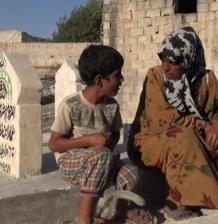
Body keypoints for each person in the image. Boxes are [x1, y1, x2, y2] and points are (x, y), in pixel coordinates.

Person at [128, 27, 218, 219]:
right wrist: (203, 126)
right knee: (183, 136)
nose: (165, 66)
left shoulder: (206, 79)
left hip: (196, 137)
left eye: (172, 62)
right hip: (151, 141)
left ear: (188, 61)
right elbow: (162, 120)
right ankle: (180, 202)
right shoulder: (155, 77)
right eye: (163, 59)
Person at [49, 45, 154, 224]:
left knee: (130, 171)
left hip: (101, 161)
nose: (121, 79)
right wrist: (89, 140)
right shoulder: (71, 105)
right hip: (72, 163)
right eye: (116, 75)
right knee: (101, 156)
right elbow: (54, 144)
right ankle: (83, 218)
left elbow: (114, 134)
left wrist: (109, 144)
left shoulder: (112, 106)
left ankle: (120, 212)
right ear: (99, 80)